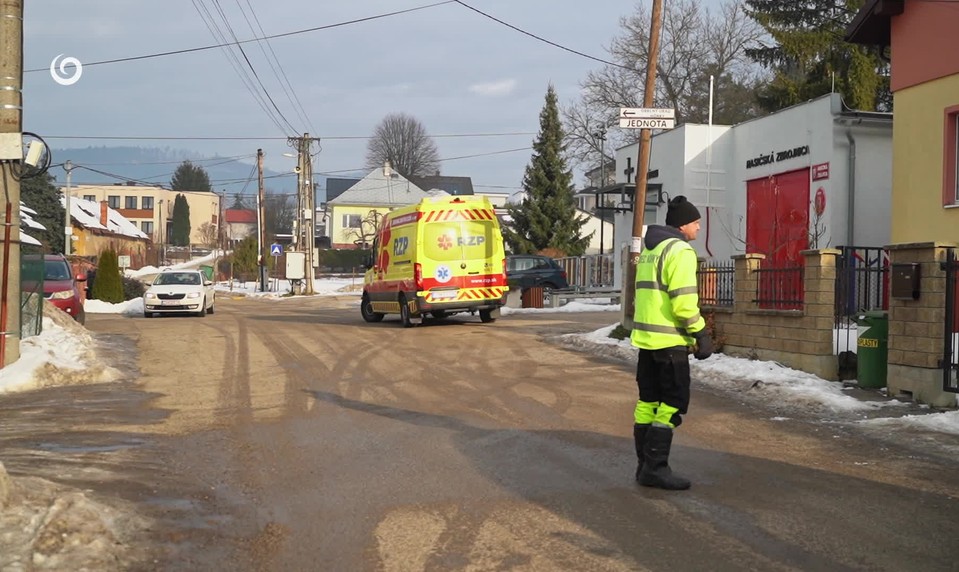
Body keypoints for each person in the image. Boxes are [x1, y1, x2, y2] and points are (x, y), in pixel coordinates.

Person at [631, 195, 713, 491]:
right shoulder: (680, 251)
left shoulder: (650, 249)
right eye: (696, 223)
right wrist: (701, 333)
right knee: (672, 402)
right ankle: (656, 468)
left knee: (647, 402)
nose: (699, 228)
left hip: (647, 341)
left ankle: (644, 466)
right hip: (670, 342)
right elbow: (683, 304)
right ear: (683, 225)